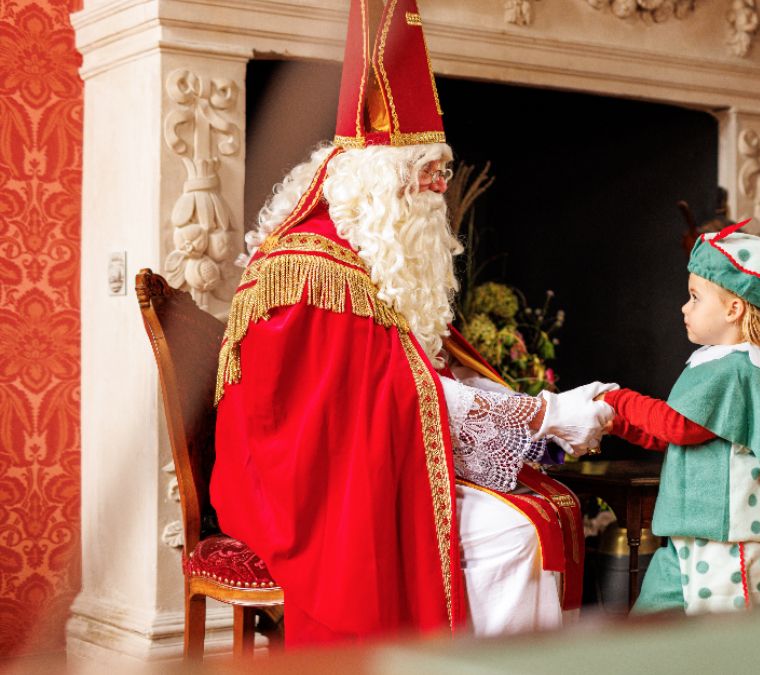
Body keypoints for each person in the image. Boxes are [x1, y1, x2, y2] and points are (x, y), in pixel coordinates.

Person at [210, 0, 610, 646]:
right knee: (514, 534)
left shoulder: (383, 250)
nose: (438, 191)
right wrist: (542, 417)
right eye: (424, 175)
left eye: (440, 172)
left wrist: (539, 412)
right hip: (303, 493)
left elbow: (420, 384)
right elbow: (394, 399)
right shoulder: (318, 268)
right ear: (376, 176)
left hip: (362, 465)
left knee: (546, 511)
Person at [598, 220, 760, 614]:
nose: (684, 307)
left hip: (724, 541)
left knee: (721, 643)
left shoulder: (739, 369)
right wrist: (619, 424)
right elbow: (679, 433)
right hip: (693, 534)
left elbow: (677, 426)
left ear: (733, 308)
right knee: (651, 619)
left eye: (694, 297)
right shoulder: (716, 364)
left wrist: (619, 400)